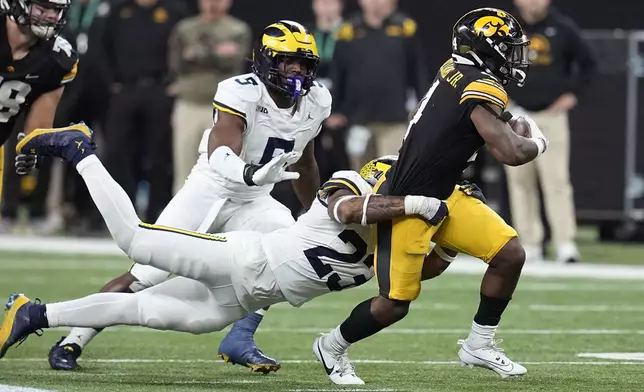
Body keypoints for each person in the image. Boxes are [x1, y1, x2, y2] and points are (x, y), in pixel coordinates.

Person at [0, 124, 449, 383]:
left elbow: (408, 277)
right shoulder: (353, 184)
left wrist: (447, 243)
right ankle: (80, 149)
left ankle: (35, 315)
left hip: (247, 298)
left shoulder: (392, 240)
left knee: (145, 311)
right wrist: (416, 205)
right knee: (134, 240)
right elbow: (348, 207)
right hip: (243, 259)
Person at [46, 21, 327, 374]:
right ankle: (73, 338)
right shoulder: (240, 92)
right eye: (289, 62)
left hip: (256, 198)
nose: (298, 71)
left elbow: (306, 160)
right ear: (267, 61)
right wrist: (250, 173)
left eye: (304, 64)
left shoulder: (317, 101)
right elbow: (221, 151)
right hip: (211, 189)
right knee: (146, 274)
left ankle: (240, 338)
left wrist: (313, 210)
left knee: (281, 258)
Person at [313, 8, 550, 383]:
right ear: (484, 49)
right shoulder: (478, 84)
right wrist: (536, 140)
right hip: (409, 199)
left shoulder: (458, 71)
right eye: (507, 48)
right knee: (394, 304)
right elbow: (511, 154)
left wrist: (508, 125)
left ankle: (479, 343)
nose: (514, 56)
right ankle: (332, 344)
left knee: (509, 253)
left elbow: (469, 122)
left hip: (447, 192)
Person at [505, 0, 597, 263]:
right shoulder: (504, 28)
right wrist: (502, 100)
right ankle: (530, 242)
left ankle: (564, 242)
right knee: (520, 181)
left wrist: (572, 95)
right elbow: (487, 67)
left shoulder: (563, 28)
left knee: (556, 180)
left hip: (551, 116)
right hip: (515, 114)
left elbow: (589, 64)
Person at [101, 0, 186, 222]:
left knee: (159, 155)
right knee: (117, 151)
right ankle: (122, 211)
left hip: (159, 90)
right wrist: (111, 81)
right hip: (125, 89)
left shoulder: (174, 12)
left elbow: (184, 50)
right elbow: (102, 47)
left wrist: (176, 82)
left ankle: (155, 214)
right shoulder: (119, 11)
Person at [0, 0, 78, 228]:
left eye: (56, 10)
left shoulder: (57, 59)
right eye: (43, 8)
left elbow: (37, 127)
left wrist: (31, 147)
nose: (51, 16)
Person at [328, 0, 428, 171]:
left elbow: (417, 72)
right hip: (358, 119)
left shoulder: (404, 29)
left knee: (390, 175)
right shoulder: (348, 31)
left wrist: (424, 109)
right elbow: (338, 73)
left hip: (393, 120)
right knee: (360, 177)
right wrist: (334, 110)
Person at [168, 0, 251, 194]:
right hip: (189, 103)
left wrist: (197, 54)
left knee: (222, 170)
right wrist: (219, 54)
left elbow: (236, 63)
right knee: (184, 167)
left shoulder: (238, 29)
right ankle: (180, 221)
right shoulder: (185, 28)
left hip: (224, 109)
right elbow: (177, 64)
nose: (213, 3)